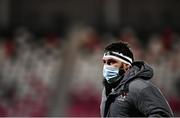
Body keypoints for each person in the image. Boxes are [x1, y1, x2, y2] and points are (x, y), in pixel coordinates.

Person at [100, 41, 174, 117]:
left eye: (111, 62)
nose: (106, 66)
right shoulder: (107, 90)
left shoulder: (140, 87)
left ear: (126, 66)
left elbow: (163, 115)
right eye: (104, 62)